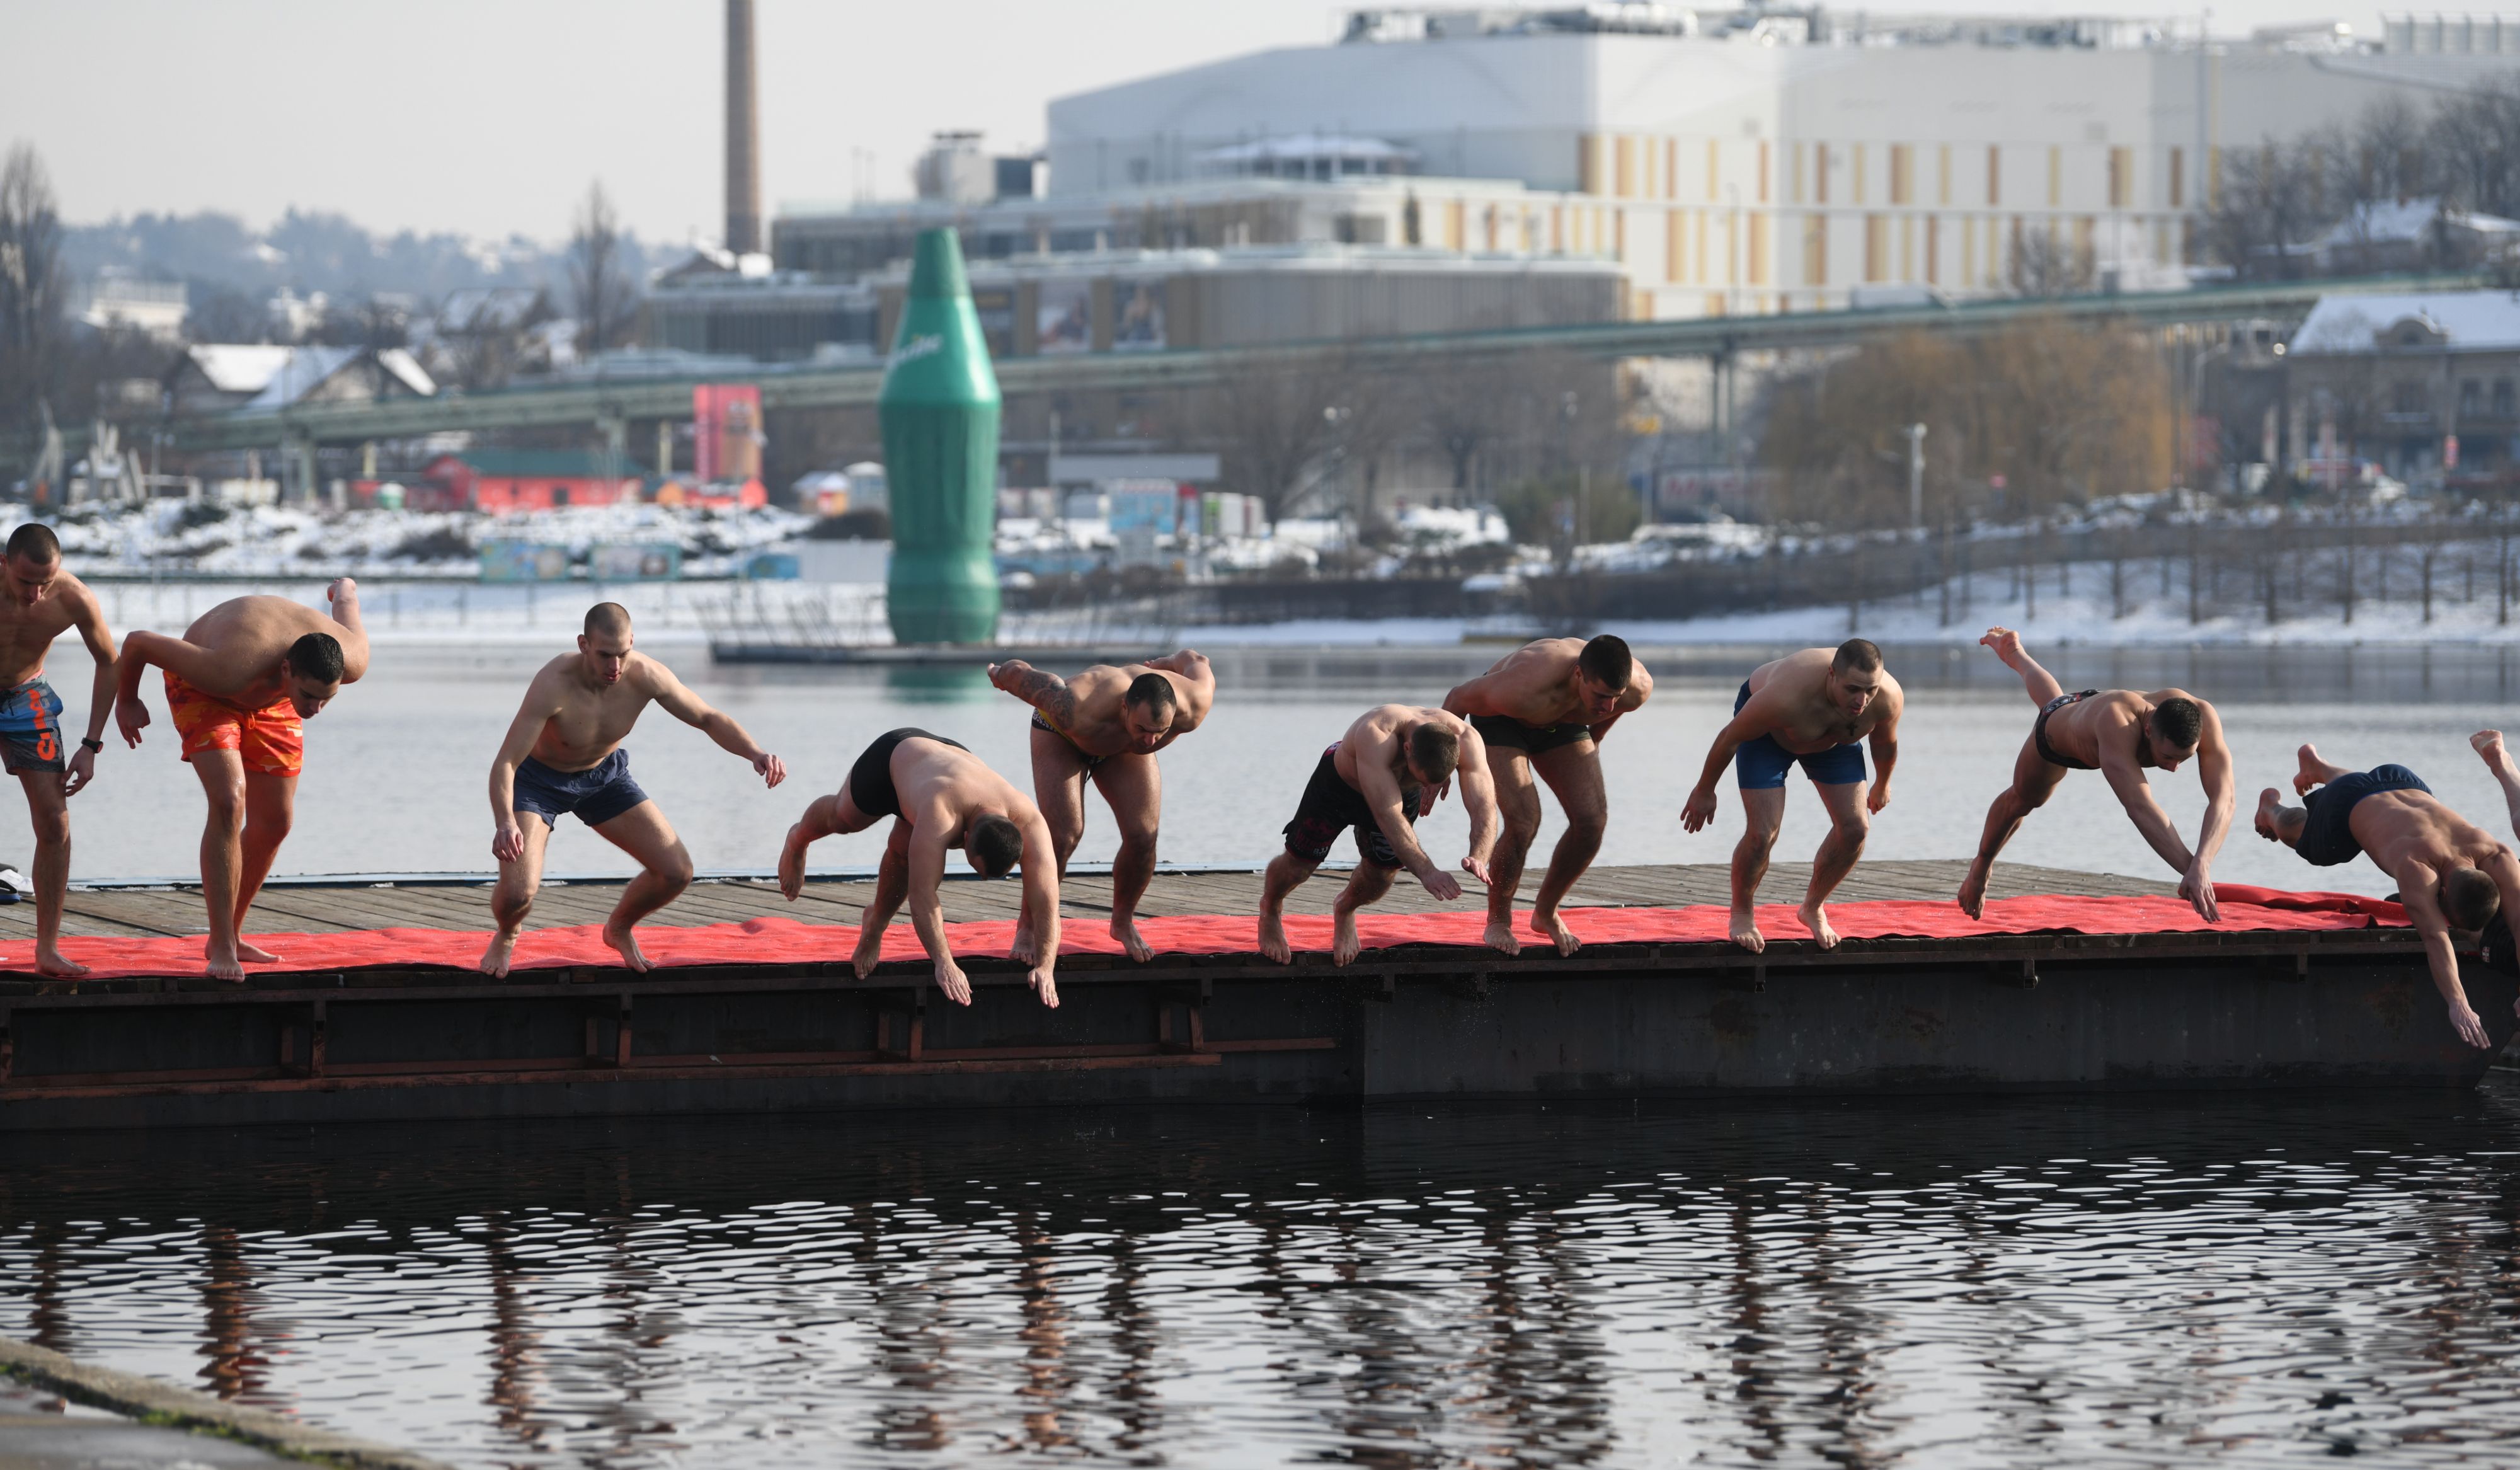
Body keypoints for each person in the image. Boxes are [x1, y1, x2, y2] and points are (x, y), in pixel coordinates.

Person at [481, 603, 787, 977]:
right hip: (539, 782)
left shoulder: (647, 674)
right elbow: (506, 764)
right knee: (518, 894)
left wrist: (755, 752)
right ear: (583, 645)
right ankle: (509, 932)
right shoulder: (553, 683)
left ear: (632, 644)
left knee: (676, 872)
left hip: (603, 778)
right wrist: (505, 822)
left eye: (622, 654)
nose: (615, 667)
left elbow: (707, 717)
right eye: (605, 655)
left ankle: (619, 927)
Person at [113, 580, 369, 980]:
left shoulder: (348, 662)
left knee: (276, 822)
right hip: (206, 689)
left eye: (326, 699)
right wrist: (126, 699)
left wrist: (344, 589)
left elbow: (348, 604)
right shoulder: (229, 668)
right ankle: (223, 945)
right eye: (310, 696)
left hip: (272, 698)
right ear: (287, 669)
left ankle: (228, 934)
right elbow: (138, 642)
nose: (317, 710)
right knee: (231, 802)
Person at [1960, 628, 2233, 923]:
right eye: (2167, 757)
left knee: (2056, 699)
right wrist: (2191, 872)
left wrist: (2202, 865)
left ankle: (2015, 653)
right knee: (2024, 799)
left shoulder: (2203, 715)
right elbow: (2140, 807)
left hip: (2084, 708)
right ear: (2148, 729)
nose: (2173, 768)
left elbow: (2224, 799)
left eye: (2184, 759)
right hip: (2056, 737)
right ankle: (1981, 865)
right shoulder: (2116, 725)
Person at [2257, 743, 2520, 1050]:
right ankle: (2271, 810)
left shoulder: (2496, 852)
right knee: (2313, 843)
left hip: (2402, 780)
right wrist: (2457, 1003)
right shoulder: (2417, 869)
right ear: (2443, 892)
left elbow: (2518, 922)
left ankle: (2321, 769)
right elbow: (2437, 939)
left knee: (2364, 794)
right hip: (2347, 800)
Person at [776, 728, 1060, 1007]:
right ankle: (797, 839)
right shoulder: (942, 812)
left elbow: (1047, 902)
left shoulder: (1030, 821)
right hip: (893, 758)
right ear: (965, 837)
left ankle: (875, 924)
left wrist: (1047, 966)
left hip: (942, 767)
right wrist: (944, 963)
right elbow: (923, 896)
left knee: (903, 851)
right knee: (842, 818)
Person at [985, 650, 1215, 962]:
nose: (1150, 742)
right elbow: (1024, 677)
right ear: (1125, 708)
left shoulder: (1195, 704)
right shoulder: (1076, 707)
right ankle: (1027, 927)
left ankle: (1122, 922)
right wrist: (1001, 674)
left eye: (1159, 732)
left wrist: (1167, 662)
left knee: (1143, 836)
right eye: (1143, 730)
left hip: (1119, 750)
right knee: (1063, 836)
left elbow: (1195, 660)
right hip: (1060, 735)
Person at [1680, 640, 1904, 951]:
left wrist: (1883, 783)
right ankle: (1743, 913)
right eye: (1853, 688)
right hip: (1769, 737)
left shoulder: (1888, 698)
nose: (1861, 700)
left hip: (1834, 743)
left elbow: (1885, 742)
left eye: (1870, 690)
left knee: (1856, 829)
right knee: (1762, 834)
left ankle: (1812, 907)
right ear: (1832, 675)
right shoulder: (1784, 696)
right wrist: (1705, 789)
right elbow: (1730, 737)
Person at [1440, 635, 1651, 956]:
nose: (1608, 706)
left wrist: (1596, 736)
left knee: (1592, 822)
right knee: (1524, 820)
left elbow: (1612, 707)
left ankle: (1545, 912)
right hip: (1503, 720)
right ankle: (1498, 920)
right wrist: (1443, 770)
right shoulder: (1524, 682)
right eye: (1601, 696)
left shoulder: (1637, 689)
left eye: (1615, 697)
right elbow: (1457, 700)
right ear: (1579, 674)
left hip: (1564, 721)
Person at [1257, 704, 1500, 967]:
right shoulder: (1377, 733)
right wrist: (1427, 871)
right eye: (1423, 779)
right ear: (1407, 749)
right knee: (1299, 865)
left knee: (1381, 876)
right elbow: (1388, 816)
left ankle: (1346, 908)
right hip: (1339, 788)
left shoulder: (1467, 739)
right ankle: (1271, 907)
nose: (1428, 787)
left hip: (1401, 794)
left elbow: (1484, 807)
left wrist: (1480, 855)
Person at [0, 524, 119, 977]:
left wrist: (91, 744)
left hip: (26, 697)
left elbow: (110, 662)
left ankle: (46, 949)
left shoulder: (74, 599)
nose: (35, 595)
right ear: (4, 563)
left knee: (54, 821)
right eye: (25, 582)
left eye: (44, 583)